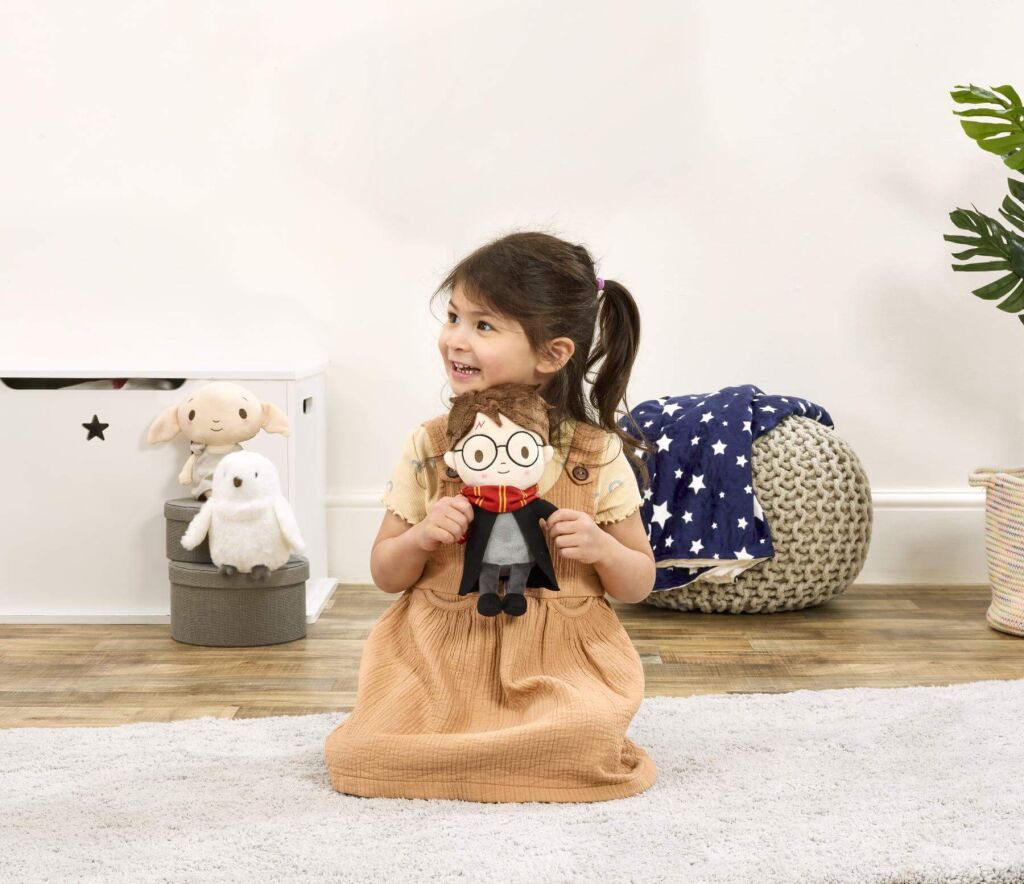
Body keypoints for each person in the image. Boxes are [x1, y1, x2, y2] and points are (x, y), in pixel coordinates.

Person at [324, 231, 658, 803]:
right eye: (454, 316)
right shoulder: (430, 446)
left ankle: (505, 753)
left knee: (582, 733)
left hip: (556, 664)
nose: (455, 338)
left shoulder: (594, 454)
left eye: (483, 325)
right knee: (360, 753)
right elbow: (385, 573)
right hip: (438, 661)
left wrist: (602, 550)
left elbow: (639, 583)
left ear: (552, 354)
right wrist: (423, 537)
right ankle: (495, 758)